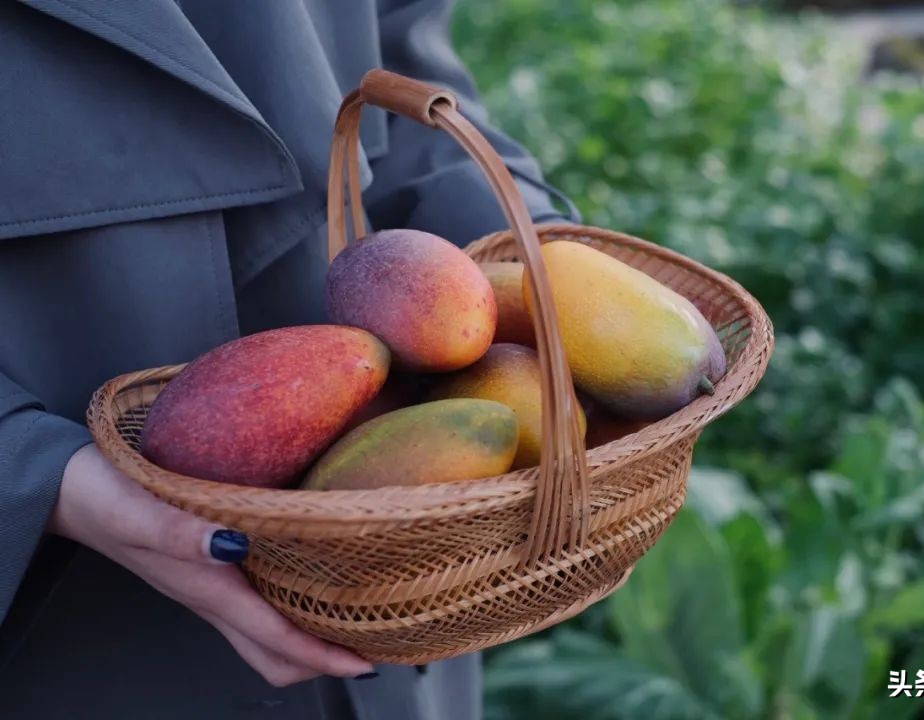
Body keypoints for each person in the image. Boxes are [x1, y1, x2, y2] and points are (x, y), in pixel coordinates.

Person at [0, 1, 576, 718]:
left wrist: (546, 264)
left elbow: (405, 67)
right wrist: (31, 470)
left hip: (407, 563)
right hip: (80, 619)